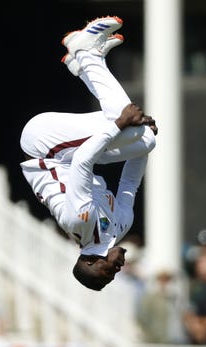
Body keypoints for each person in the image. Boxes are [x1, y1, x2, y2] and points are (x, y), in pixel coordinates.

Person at [20, 16, 157, 291]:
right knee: (145, 138)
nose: (116, 271)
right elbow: (130, 183)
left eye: (106, 274)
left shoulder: (79, 222)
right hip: (70, 153)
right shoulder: (118, 228)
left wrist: (122, 125)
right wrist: (144, 139)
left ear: (92, 263)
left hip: (43, 144)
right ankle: (82, 65)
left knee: (120, 115)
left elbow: (84, 162)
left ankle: (84, 51)